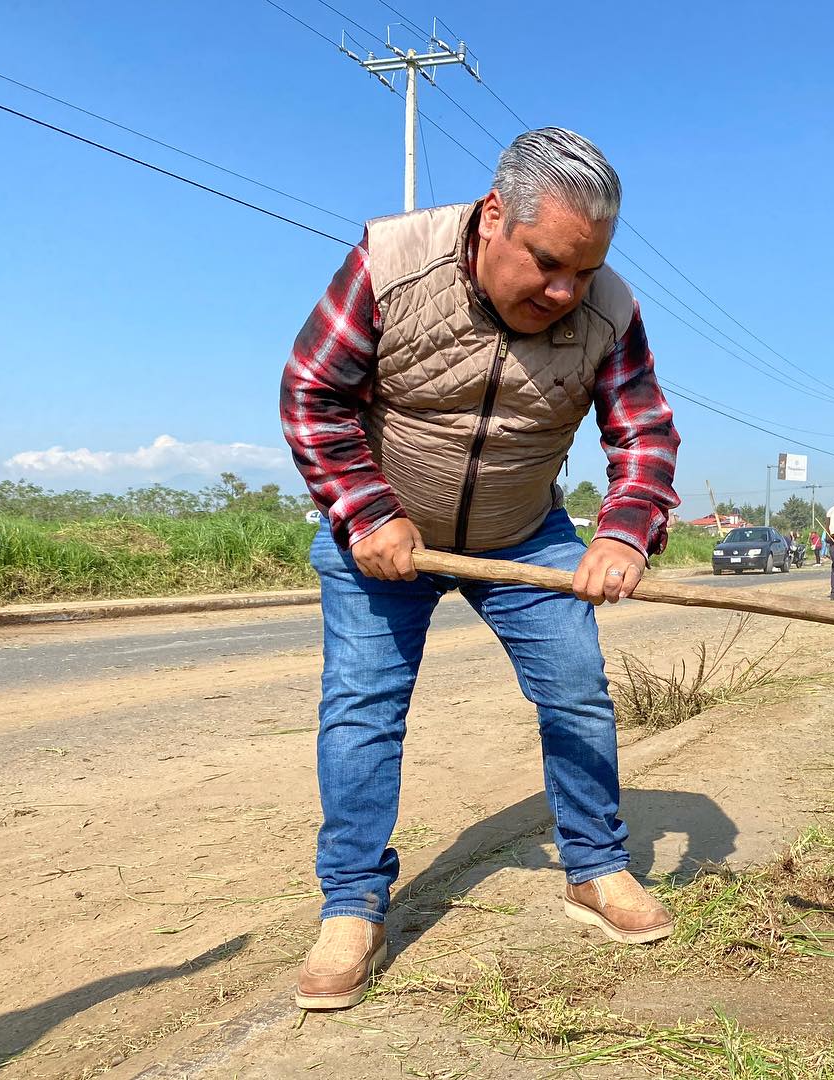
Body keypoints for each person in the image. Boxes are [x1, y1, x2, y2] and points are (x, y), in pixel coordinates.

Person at [281, 128, 682, 1011]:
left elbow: (644, 434)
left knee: (576, 687)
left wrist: (621, 534)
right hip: (385, 534)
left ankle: (597, 868)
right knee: (362, 708)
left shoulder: (609, 308)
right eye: (547, 264)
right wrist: (368, 512)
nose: (565, 291)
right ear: (493, 217)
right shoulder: (392, 263)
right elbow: (312, 392)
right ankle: (351, 906)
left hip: (523, 531)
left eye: (584, 270)